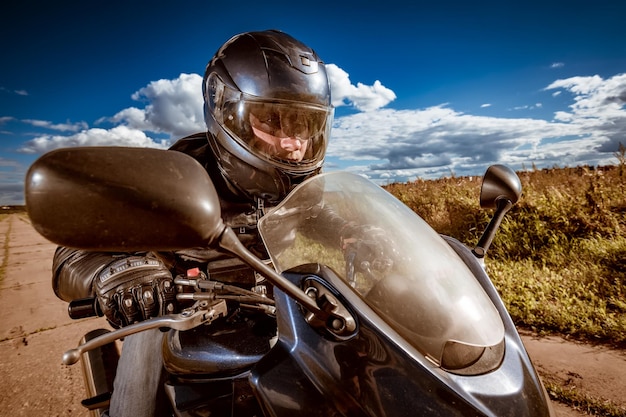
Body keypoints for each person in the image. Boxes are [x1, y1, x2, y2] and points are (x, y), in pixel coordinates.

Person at [51, 30, 335, 417]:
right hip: (176, 315)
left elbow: (352, 229)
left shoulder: (312, 188)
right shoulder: (172, 179)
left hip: (287, 312)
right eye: (273, 119)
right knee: (141, 369)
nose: (292, 144)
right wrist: (117, 271)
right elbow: (73, 250)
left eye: (302, 125)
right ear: (226, 111)